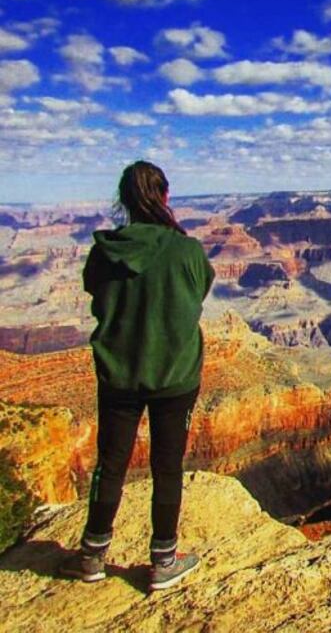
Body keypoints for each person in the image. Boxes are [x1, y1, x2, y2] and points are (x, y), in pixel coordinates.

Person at [60, 161, 215, 591]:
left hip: (120, 375)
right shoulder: (187, 251)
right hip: (175, 377)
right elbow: (199, 290)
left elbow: (95, 290)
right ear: (165, 196)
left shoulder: (104, 252)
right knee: (167, 467)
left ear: (124, 202)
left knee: (110, 464)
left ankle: (92, 556)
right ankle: (163, 560)